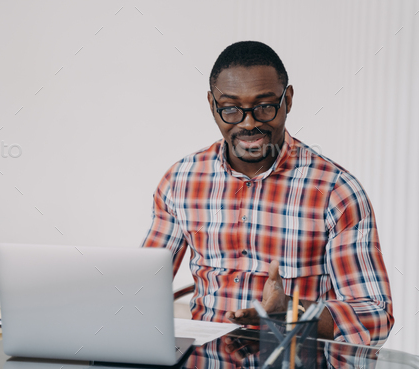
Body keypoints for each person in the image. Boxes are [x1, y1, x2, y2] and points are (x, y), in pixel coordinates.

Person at [140, 41, 393, 347]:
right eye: (231, 109)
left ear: (287, 100)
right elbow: (142, 289)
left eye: (264, 107)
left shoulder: (335, 191)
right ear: (212, 105)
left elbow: (375, 317)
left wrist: (291, 311)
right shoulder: (180, 180)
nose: (249, 123)